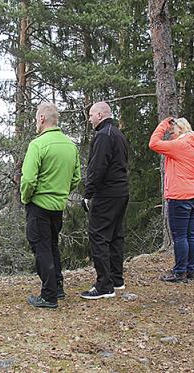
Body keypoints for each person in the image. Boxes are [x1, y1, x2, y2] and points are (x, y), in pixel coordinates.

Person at [20, 102, 81, 309]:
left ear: (42, 119)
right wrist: (62, 192)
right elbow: (76, 178)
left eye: (37, 118)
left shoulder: (38, 145)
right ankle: (58, 287)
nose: (36, 122)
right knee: (52, 244)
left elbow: (28, 180)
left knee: (41, 248)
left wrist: (26, 198)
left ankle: (48, 295)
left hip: (39, 204)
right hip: (58, 205)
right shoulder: (71, 146)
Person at [80, 101, 129, 300]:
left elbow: (97, 168)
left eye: (91, 115)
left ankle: (104, 285)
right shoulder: (118, 135)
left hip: (107, 193)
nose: (89, 119)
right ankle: (117, 280)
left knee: (98, 235)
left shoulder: (103, 136)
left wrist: (87, 193)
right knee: (116, 235)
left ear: (100, 115)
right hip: (121, 191)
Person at [149, 117, 194, 282]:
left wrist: (163, 125)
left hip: (180, 196)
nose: (171, 135)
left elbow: (153, 143)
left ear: (181, 129)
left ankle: (179, 272)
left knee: (180, 236)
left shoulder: (180, 145)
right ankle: (190, 271)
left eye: (173, 131)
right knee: (190, 235)